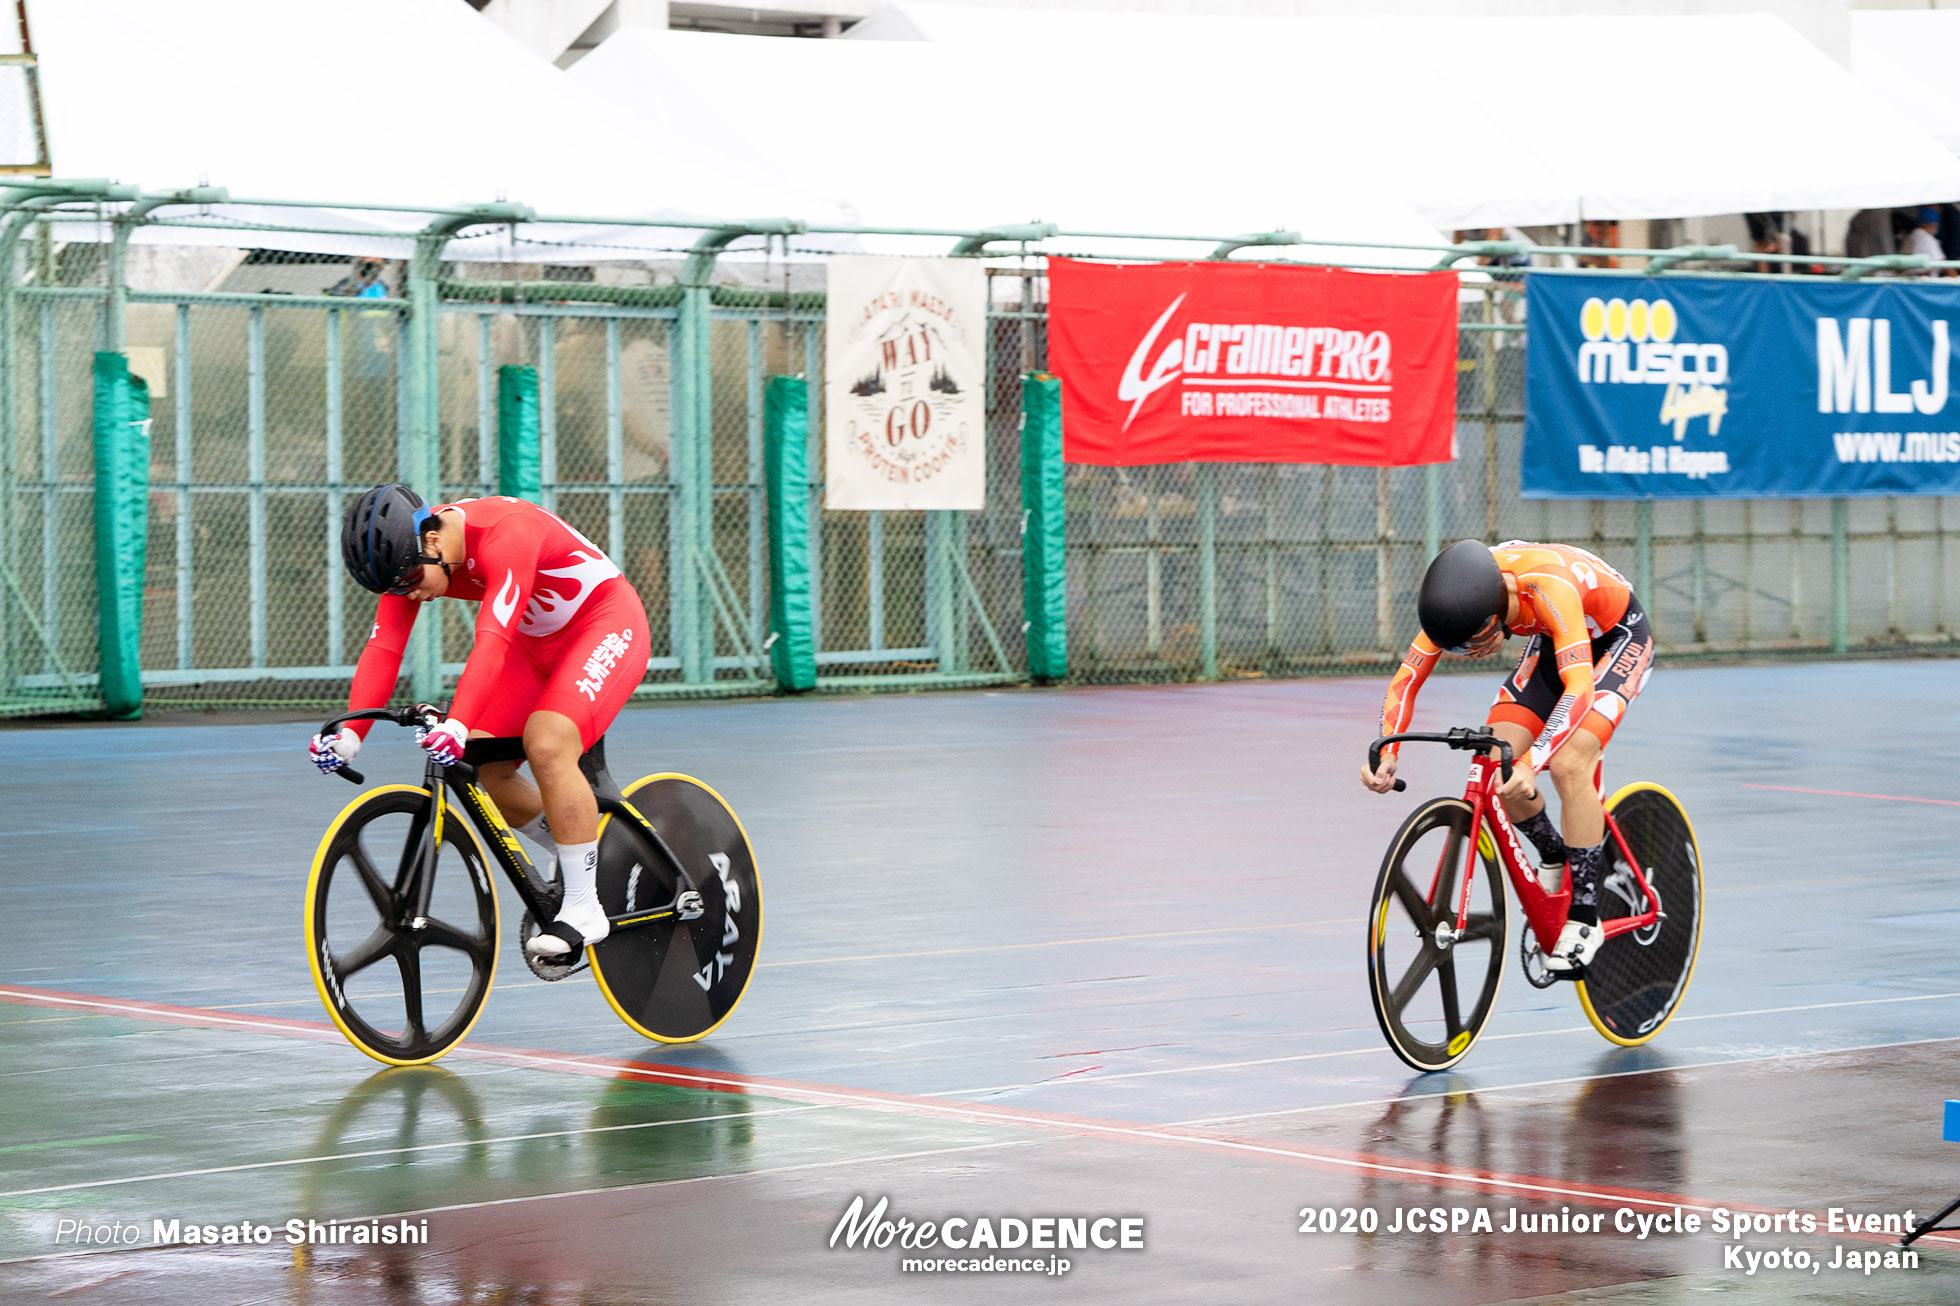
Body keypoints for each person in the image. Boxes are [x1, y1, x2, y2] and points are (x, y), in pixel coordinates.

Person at [308, 485, 652, 958]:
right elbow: (383, 649)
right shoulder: (413, 557)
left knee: (547, 743)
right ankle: (569, 845)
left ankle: (584, 905)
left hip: (605, 625)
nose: (411, 594)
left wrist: (457, 723)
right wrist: (350, 735)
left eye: (410, 580)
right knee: (482, 763)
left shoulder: (506, 535)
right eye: (397, 588)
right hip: (535, 646)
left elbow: (491, 643)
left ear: (431, 541)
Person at [1359, 540, 1655, 974]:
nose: (1469, 653)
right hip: (1556, 638)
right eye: (1456, 649)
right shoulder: (1464, 596)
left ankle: (1586, 915)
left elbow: (1579, 689)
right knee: (1496, 759)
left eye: (1474, 643)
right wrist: (1389, 750)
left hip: (1616, 639)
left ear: (1497, 612)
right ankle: (1554, 854)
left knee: (1569, 763)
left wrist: (1534, 760)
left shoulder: (1547, 588)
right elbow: (1405, 682)